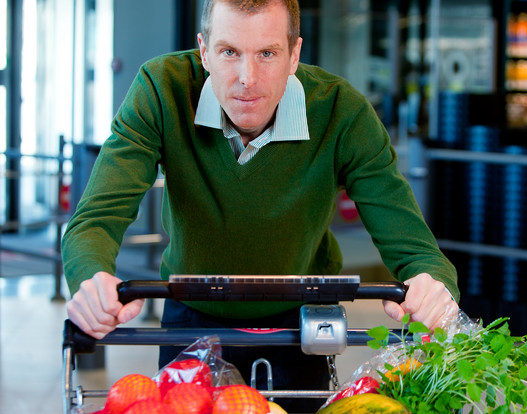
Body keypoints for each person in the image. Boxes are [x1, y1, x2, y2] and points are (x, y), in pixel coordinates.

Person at [63, 0, 459, 410]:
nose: (247, 78)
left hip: (302, 325)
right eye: (229, 52)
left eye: (267, 54)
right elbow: (96, 217)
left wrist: (431, 282)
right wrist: (92, 277)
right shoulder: (161, 89)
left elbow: (412, 243)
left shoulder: (344, 113)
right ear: (203, 51)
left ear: (295, 55)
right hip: (191, 317)